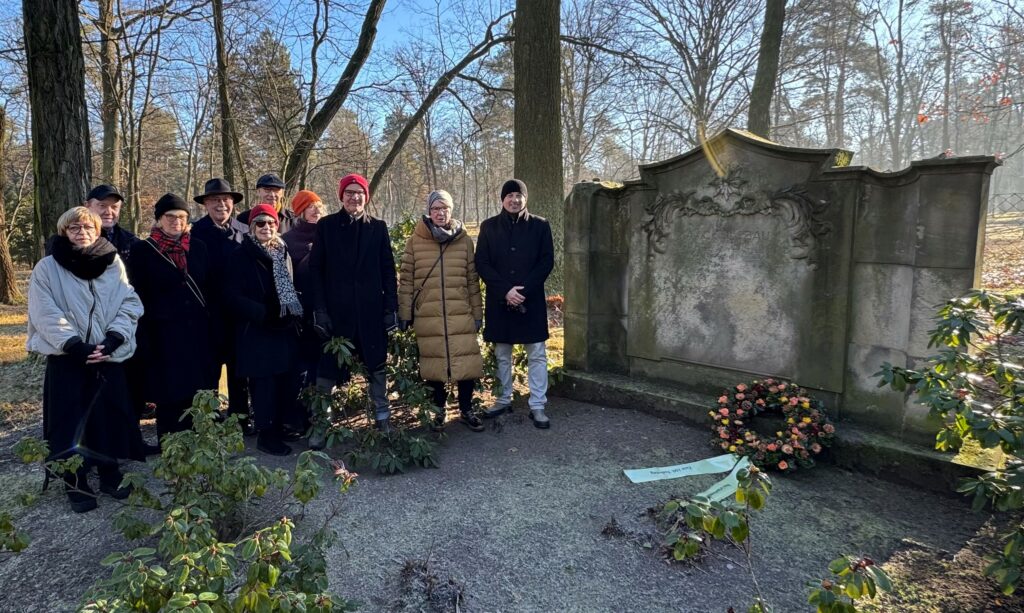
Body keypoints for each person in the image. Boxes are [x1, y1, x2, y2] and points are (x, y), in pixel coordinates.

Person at [27, 206, 145, 513]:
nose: (83, 233)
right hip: (69, 357)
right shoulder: (48, 268)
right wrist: (75, 345)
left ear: (98, 230)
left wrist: (114, 338)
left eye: (89, 227)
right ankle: (75, 481)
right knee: (69, 421)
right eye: (75, 228)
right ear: (64, 231)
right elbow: (44, 312)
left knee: (107, 417)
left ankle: (110, 474)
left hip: (106, 353)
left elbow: (128, 301)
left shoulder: (112, 262)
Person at [309, 173, 398, 432]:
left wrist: (390, 308)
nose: (354, 197)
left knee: (376, 364)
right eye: (349, 192)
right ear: (341, 196)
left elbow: (388, 270)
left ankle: (382, 418)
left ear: (366, 197)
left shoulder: (378, 227)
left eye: (359, 192)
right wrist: (320, 310)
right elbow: (316, 270)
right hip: (337, 313)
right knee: (327, 370)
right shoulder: (326, 226)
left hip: (370, 311)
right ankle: (321, 425)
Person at [127, 193, 213, 440]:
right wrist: (144, 335)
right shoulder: (142, 250)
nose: (176, 221)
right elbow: (138, 293)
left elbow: (209, 288)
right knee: (169, 394)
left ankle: (200, 443)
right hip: (163, 334)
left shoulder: (198, 247)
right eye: (170, 216)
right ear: (159, 219)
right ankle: (172, 445)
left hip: (197, 333)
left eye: (182, 216)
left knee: (198, 391)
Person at [398, 190, 484, 432]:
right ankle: (438, 411)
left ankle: (467, 409)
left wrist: (477, 314)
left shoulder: (464, 240)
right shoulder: (415, 241)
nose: (440, 213)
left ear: (451, 210)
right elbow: (406, 281)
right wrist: (405, 313)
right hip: (429, 313)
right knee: (434, 366)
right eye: (436, 208)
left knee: (465, 363)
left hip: (460, 311)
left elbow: (472, 281)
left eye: (444, 208)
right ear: (429, 211)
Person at [475, 179, 554, 429]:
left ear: (525, 199)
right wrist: (505, 291)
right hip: (500, 300)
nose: (514, 200)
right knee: (502, 353)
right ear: (502, 200)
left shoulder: (540, 226)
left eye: (518, 195)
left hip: (530, 300)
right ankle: (503, 398)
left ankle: (538, 405)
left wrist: (523, 290)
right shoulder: (488, 227)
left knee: (537, 354)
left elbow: (546, 261)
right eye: (509, 195)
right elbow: (482, 263)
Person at [227, 204, 304, 455]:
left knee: (285, 381)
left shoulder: (283, 252)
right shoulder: (240, 255)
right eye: (260, 223)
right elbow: (231, 295)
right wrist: (262, 312)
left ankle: (280, 426)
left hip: (283, 328)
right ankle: (266, 435)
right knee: (263, 386)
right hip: (257, 329)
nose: (266, 227)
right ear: (251, 227)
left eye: (271, 223)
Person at [190, 177, 253, 433]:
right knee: (209, 371)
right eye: (215, 200)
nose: (221, 205)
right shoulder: (194, 232)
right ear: (206, 203)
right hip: (208, 314)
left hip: (239, 315)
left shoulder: (244, 231)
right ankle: (210, 419)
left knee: (240, 371)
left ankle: (239, 417)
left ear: (233, 203)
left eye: (225, 200)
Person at [281, 190, 325, 444]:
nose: (316, 211)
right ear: (300, 211)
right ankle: (296, 416)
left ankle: (318, 416)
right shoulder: (289, 240)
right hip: (301, 314)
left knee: (321, 368)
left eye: (319, 206)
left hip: (325, 311)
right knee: (300, 369)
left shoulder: (329, 234)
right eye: (310, 207)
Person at [44, 184, 138, 260]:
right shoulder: (63, 241)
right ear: (87, 206)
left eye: (114, 207)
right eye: (102, 205)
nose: (109, 212)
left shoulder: (132, 242)